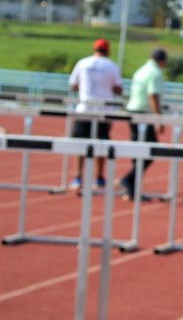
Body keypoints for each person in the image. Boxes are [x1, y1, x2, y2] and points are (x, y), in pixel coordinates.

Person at [67, 38, 123, 190]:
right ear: (108, 50)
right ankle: (99, 177)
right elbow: (118, 89)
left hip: (85, 108)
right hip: (105, 111)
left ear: (94, 49)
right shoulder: (112, 66)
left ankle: (78, 177)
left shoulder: (83, 63)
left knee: (81, 144)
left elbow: (73, 84)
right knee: (102, 144)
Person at [119, 48, 168, 201]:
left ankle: (131, 189)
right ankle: (128, 180)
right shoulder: (155, 73)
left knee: (140, 151)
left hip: (133, 111)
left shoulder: (141, 70)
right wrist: (158, 119)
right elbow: (153, 96)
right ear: (162, 61)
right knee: (150, 151)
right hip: (142, 114)